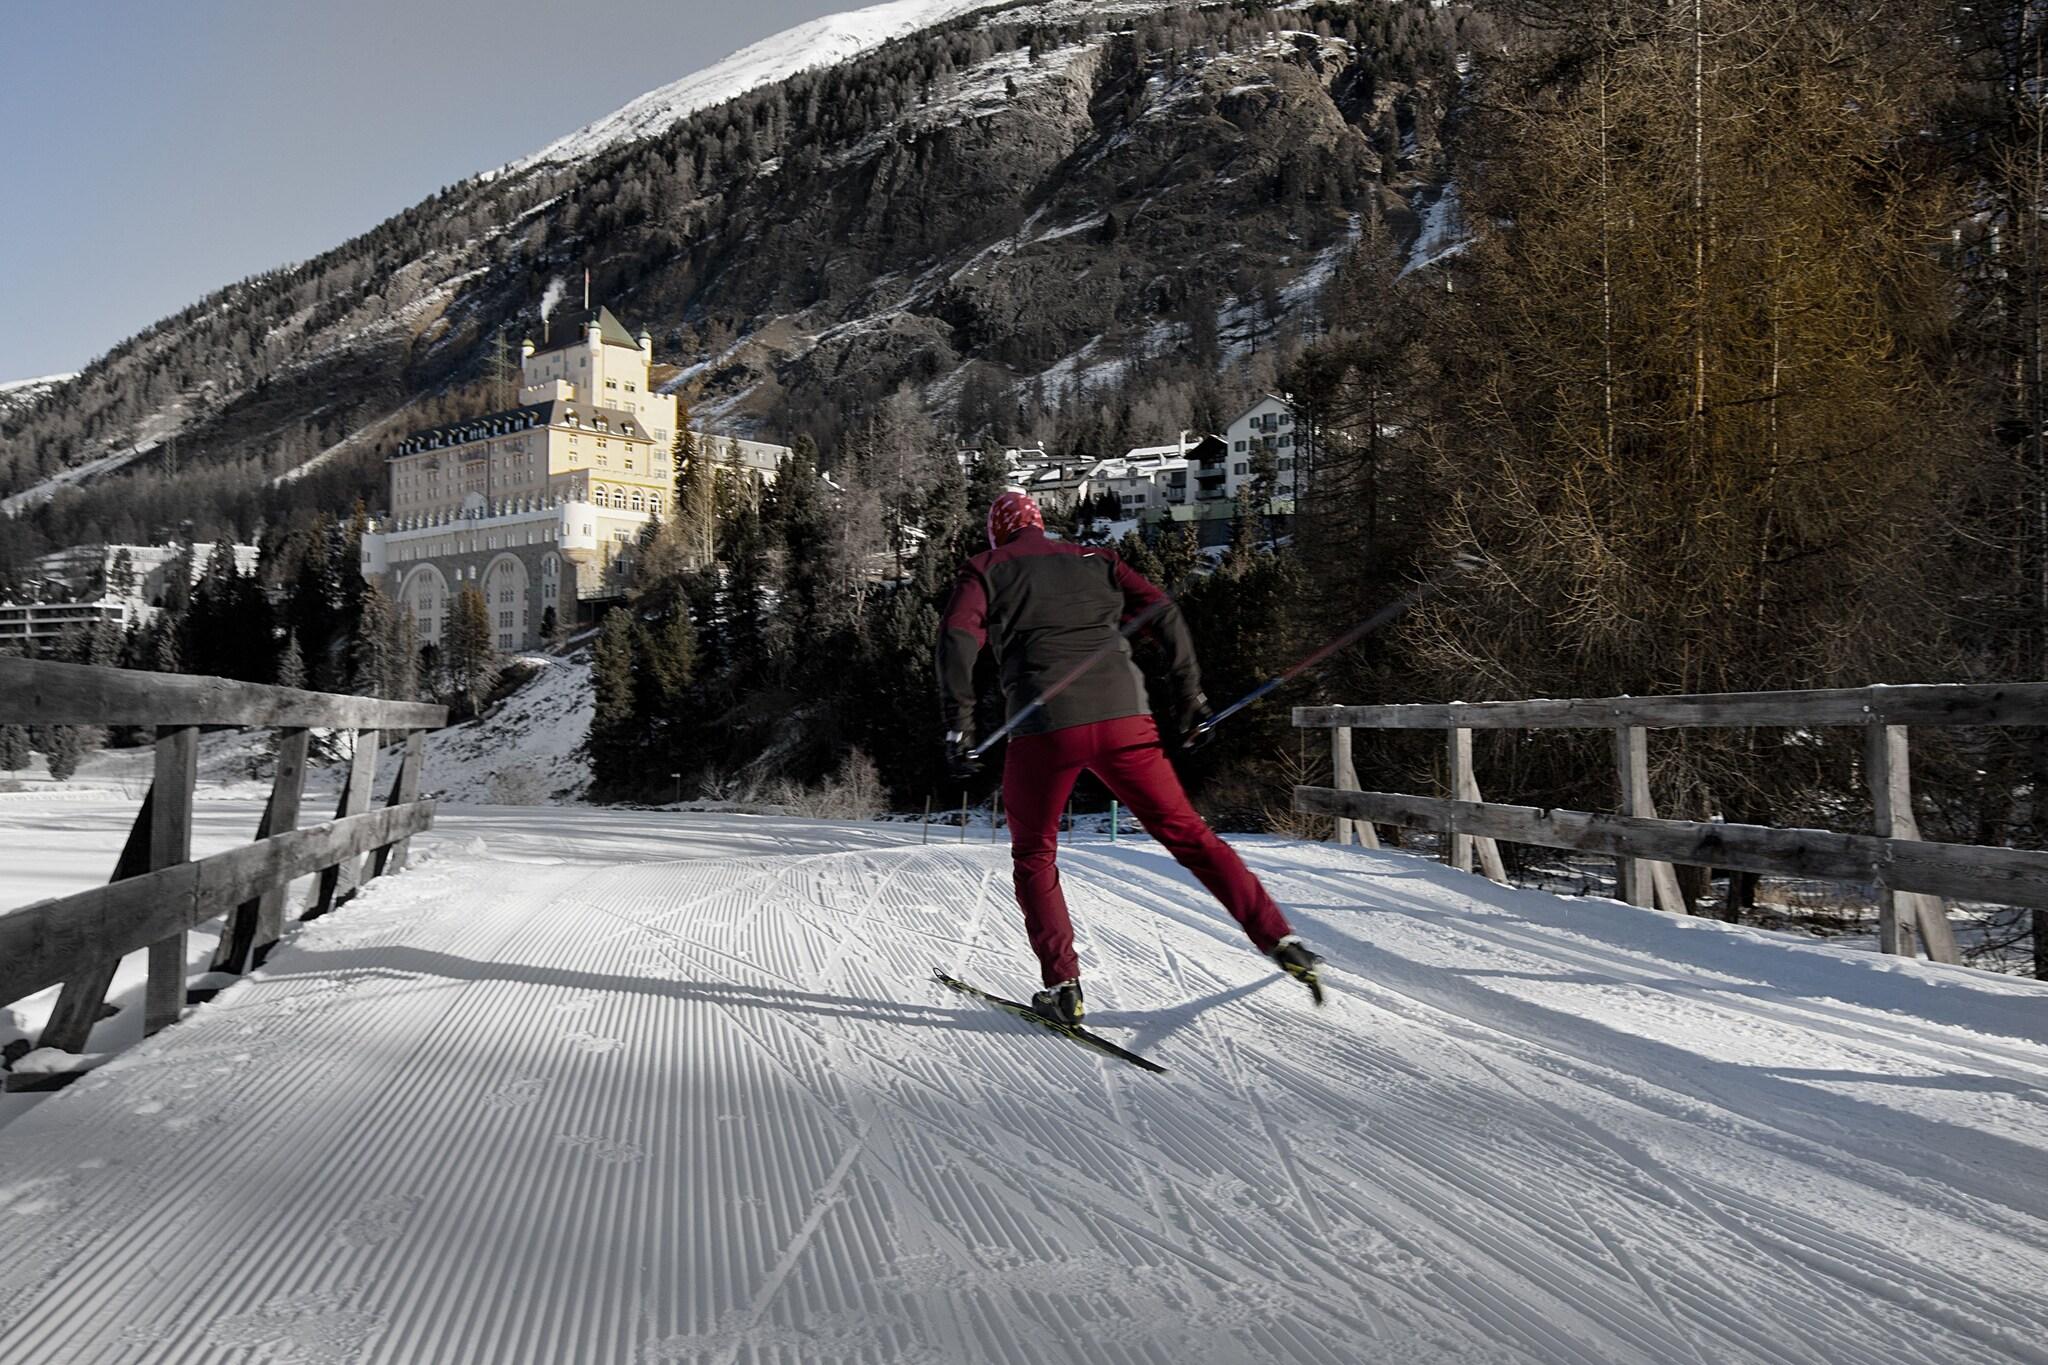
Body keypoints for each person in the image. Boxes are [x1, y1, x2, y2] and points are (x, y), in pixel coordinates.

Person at [935, 489, 1322, 1025]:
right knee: (1189, 834)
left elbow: (957, 639)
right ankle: (1279, 937)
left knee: (1035, 854)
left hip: (1045, 729)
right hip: (1126, 719)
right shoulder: (1097, 559)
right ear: (1042, 523)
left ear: (997, 532)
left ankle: (1063, 986)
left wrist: (959, 724)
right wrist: (1191, 699)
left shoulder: (985, 567)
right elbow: (1164, 612)